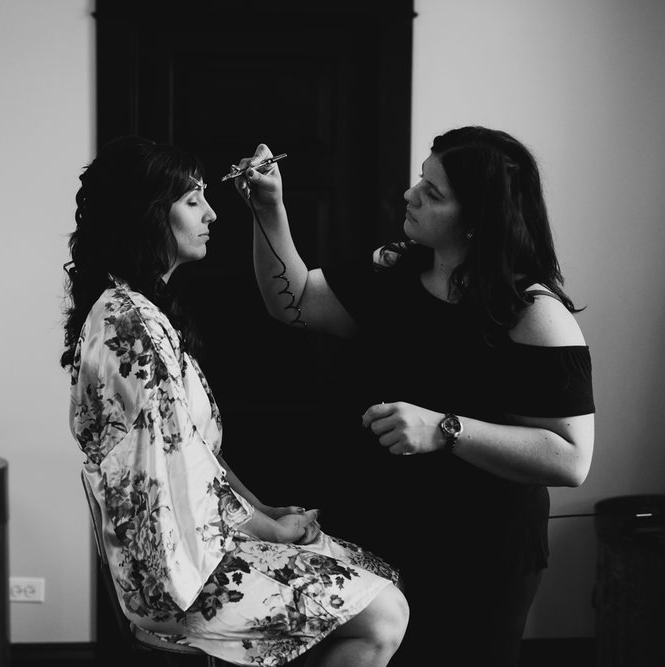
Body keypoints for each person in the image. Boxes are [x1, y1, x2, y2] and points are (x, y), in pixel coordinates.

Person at [231, 126, 595, 667]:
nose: (410, 195)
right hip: (374, 532)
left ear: (477, 220)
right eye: (420, 180)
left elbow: (570, 459)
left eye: (433, 192)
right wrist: (268, 208)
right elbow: (296, 301)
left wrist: (445, 428)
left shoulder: (535, 313)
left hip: (479, 555)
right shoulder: (396, 272)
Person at [62, 136, 409, 667]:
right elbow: (176, 473)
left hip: (195, 542)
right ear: (149, 214)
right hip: (174, 571)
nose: (213, 214)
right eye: (193, 200)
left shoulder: (144, 310)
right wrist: (269, 530)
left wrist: (266, 511)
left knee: (374, 572)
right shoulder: (129, 323)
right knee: (384, 613)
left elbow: (198, 452)